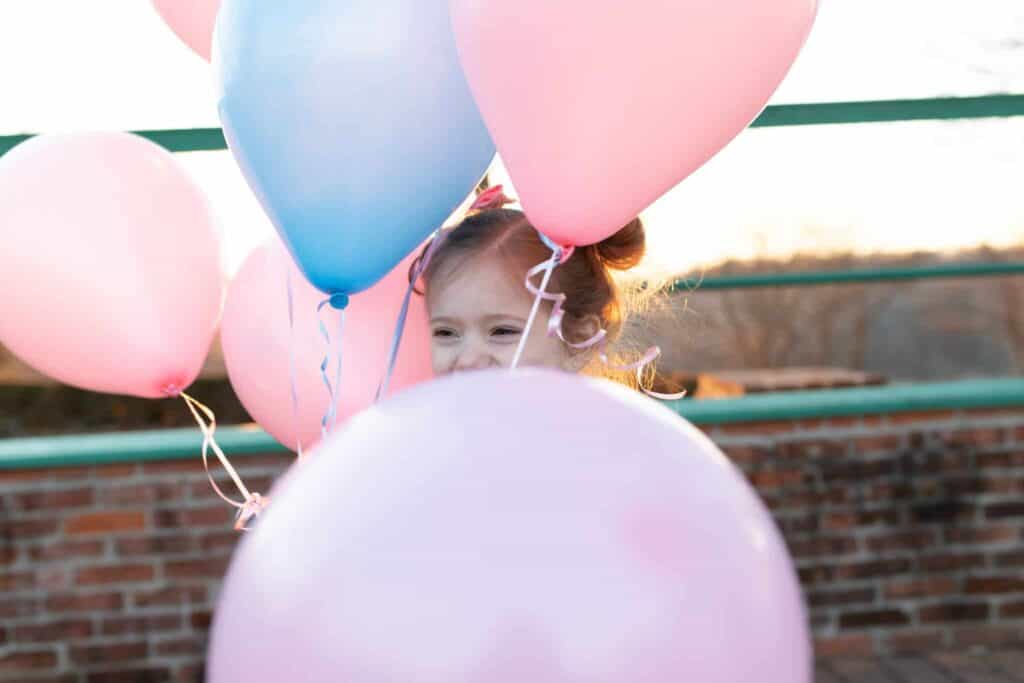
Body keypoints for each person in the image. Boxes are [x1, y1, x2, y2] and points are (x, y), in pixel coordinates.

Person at [412, 185, 650, 379]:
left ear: (579, 340)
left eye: (503, 331)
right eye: (445, 332)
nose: (467, 360)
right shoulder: (425, 432)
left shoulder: (590, 435)